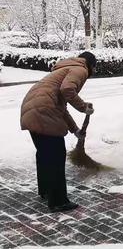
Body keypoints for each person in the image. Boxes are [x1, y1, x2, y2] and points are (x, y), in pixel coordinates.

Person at [20, 52, 96, 212]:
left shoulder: (63, 68)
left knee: (45, 153)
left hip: (31, 108)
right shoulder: (80, 69)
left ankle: (46, 191)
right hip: (44, 111)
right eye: (94, 68)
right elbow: (67, 89)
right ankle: (58, 201)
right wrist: (84, 108)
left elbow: (62, 107)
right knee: (56, 155)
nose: (93, 72)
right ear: (90, 65)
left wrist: (75, 130)